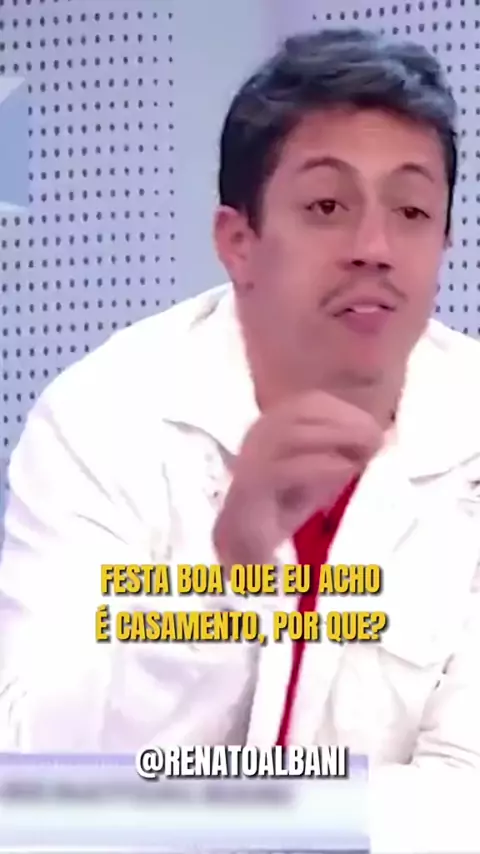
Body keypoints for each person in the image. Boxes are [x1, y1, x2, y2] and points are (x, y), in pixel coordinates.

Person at [1, 26, 480, 852]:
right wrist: (226, 575)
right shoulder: (104, 420)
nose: (374, 249)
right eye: (327, 207)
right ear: (238, 241)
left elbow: (466, 799)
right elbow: (34, 776)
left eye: (411, 211)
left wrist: (230, 813)